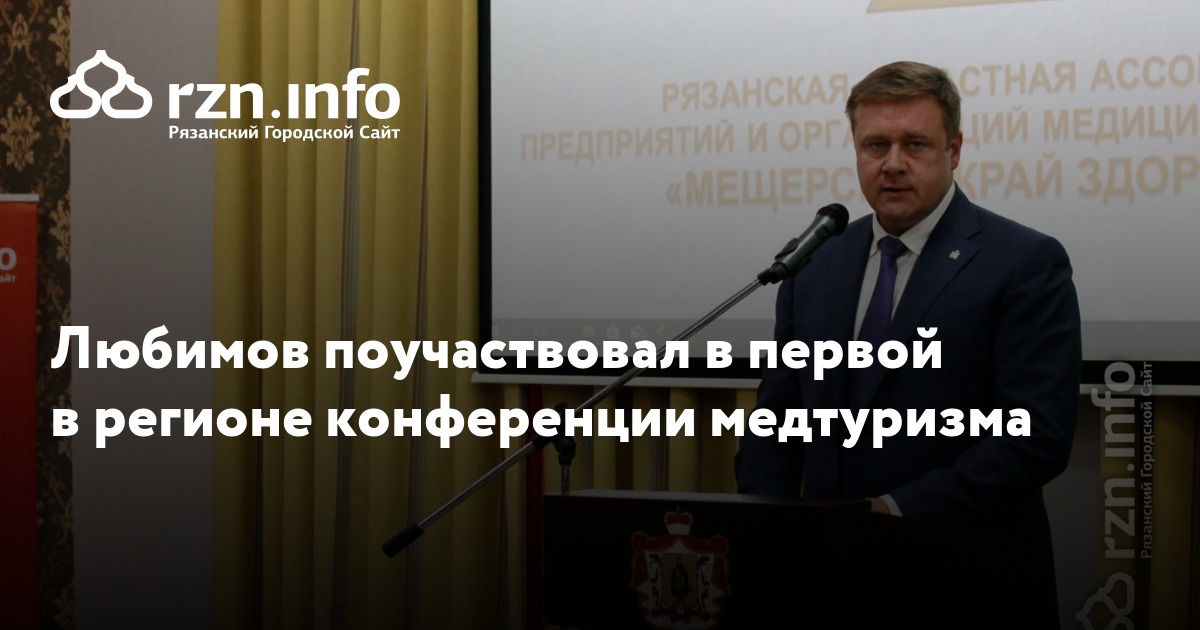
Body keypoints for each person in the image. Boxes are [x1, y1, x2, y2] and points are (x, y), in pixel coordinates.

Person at [734, 60, 1081, 628]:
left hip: (966, 578)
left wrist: (893, 511)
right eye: (876, 145)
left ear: (954, 150)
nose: (892, 164)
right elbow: (778, 418)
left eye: (914, 144)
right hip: (827, 578)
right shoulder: (815, 263)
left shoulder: (1023, 262)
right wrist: (771, 527)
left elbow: (1035, 437)